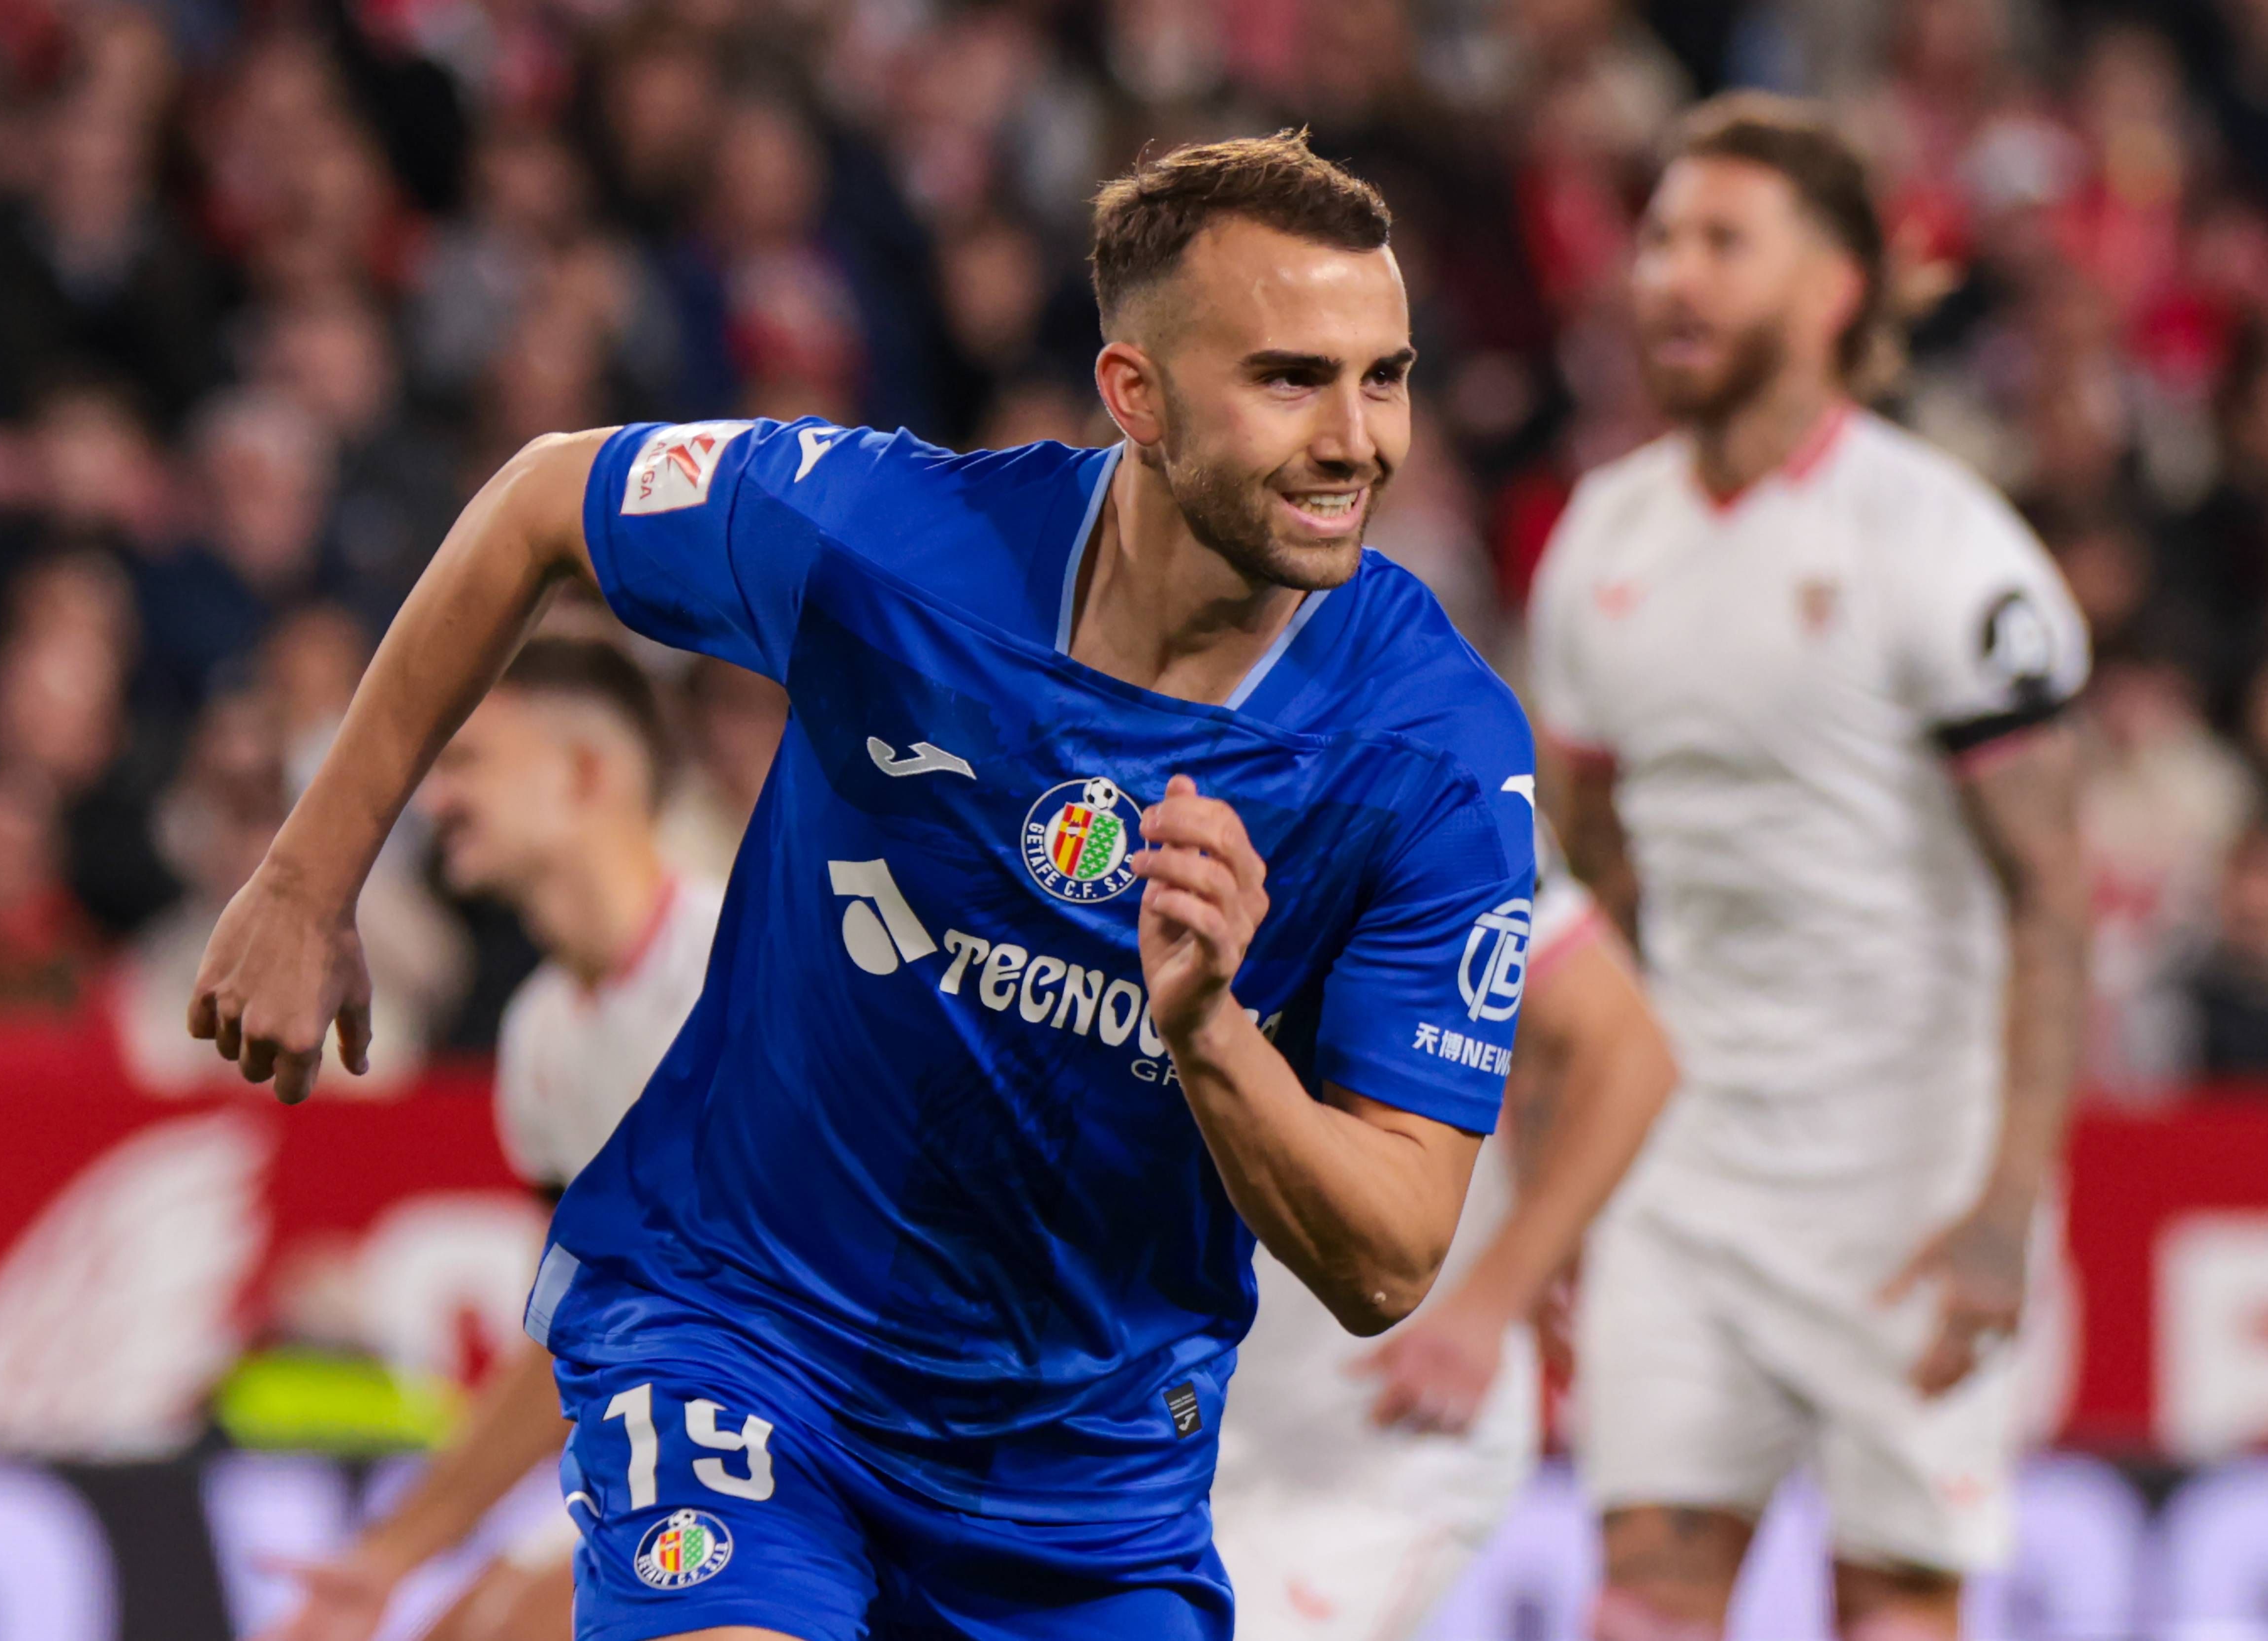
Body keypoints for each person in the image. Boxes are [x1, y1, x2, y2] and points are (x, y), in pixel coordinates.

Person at [189, 131, 1538, 1641]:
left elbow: (1392, 1254)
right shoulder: (895, 545)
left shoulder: (1435, 754)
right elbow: (539, 500)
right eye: (1292, 379)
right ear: (1136, 394)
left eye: (1385, 377)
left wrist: (1214, 1030)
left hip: (1082, 1482)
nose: (1358, 438)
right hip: (751, 1348)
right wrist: (307, 881)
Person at [1527, 95, 2091, 1641]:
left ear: (1837, 286)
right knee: (1640, 1599)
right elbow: (1587, 886)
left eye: (1723, 241)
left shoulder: (1948, 548)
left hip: (1908, 1179)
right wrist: (1552, 1170)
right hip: (1685, 1170)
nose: (1670, 275)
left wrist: (2008, 1204)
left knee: (1896, 1607)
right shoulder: (1599, 544)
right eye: (1658, 239)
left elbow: (2052, 892)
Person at [258, 635, 723, 1641]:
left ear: (584, 773)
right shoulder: (539, 1035)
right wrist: (388, 1555)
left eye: (468, 761)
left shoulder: (737, 974)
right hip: (674, 1458)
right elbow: (573, 1337)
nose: (437, 799)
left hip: (833, 1466)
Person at [1213, 824, 1674, 1639]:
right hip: (1167, 1413)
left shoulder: (1445, 781)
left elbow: (1629, 1049)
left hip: (1363, 1432)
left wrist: (1488, 1304)